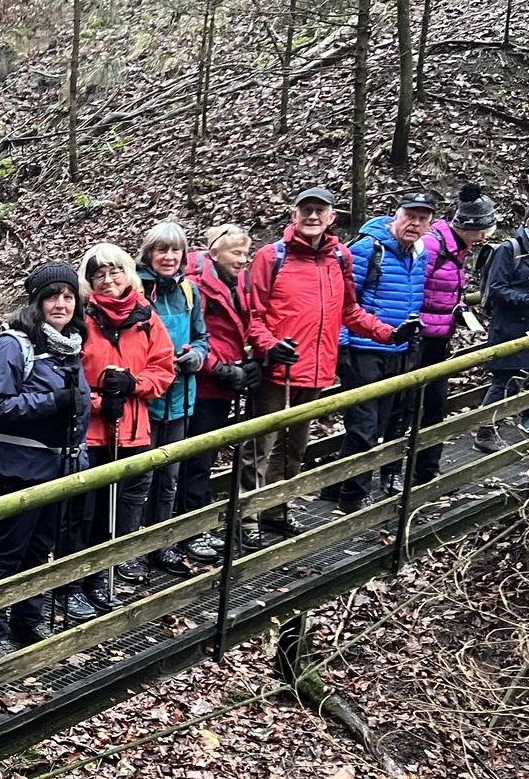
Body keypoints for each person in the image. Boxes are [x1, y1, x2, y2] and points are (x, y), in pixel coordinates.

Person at [243, 187, 403, 545]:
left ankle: (277, 510)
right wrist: (269, 346)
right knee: (261, 446)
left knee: (295, 446)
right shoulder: (272, 256)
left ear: (332, 217)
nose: (312, 217)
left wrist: (389, 333)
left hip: (316, 369)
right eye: (306, 210)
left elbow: (349, 311)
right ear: (294, 215)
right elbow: (253, 316)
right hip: (276, 369)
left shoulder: (339, 258)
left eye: (320, 211)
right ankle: (248, 517)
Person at [0, 263, 89, 656]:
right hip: (16, 467)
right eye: (52, 296)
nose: (61, 303)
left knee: (40, 550)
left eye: (68, 296)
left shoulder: (70, 346)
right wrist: (51, 402)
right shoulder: (14, 345)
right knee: (9, 551)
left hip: (58, 467)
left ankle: (27, 620)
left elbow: (75, 412)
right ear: (36, 302)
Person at [71, 244, 179, 612]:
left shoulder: (146, 316)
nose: (108, 280)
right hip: (93, 433)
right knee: (87, 513)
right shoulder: (81, 320)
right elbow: (72, 378)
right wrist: (102, 401)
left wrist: (134, 385)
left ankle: (102, 577)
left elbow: (164, 367)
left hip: (134, 429)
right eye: (98, 274)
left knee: (121, 512)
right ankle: (75, 583)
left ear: (127, 273)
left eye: (114, 271)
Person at [322, 190, 431, 512]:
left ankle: (334, 486)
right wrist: (342, 348)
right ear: (395, 216)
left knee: (382, 424)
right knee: (364, 427)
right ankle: (352, 497)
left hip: (398, 349)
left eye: (422, 219)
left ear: (429, 225)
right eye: (409, 216)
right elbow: (344, 301)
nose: (414, 224)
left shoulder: (419, 253)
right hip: (363, 350)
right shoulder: (369, 248)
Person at [131, 224, 208, 580]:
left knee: (169, 476)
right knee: (137, 479)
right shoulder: (135, 291)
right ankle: (128, 549)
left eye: (175, 251)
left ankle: (160, 542)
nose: (168, 257)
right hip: (143, 401)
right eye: (161, 250)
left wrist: (197, 357)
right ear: (148, 253)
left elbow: (201, 337)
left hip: (180, 397)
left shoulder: (189, 293)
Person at [177, 224, 256, 564]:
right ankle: (189, 529)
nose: (243, 260)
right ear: (214, 253)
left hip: (225, 383)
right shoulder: (196, 285)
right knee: (195, 459)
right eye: (236, 253)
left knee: (204, 460)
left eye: (245, 253)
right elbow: (192, 336)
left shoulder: (238, 284)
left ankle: (195, 524)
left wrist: (252, 361)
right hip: (204, 385)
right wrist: (219, 369)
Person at [408, 184, 497, 484]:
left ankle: (427, 469)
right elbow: (415, 288)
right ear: (468, 226)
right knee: (412, 404)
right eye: (483, 228)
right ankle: (405, 471)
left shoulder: (459, 248)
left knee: (435, 404)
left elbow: (443, 290)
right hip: (419, 338)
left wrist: (458, 309)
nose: (485, 236)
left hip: (439, 336)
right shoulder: (434, 246)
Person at [477, 197, 529, 448]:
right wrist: (528, 299)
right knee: (504, 382)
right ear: (527, 220)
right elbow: (496, 289)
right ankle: (485, 432)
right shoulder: (509, 249)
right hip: (510, 328)